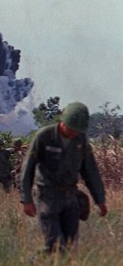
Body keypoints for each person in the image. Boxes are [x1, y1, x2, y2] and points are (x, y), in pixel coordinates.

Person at [20, 102, 107, 254]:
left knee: (70, 245)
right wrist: (26, 199)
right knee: (55, 244)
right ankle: (33, 261)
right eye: (71, 129)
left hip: (70, 197)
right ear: (62, 122)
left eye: (78, 130)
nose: (74, 133)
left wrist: (100, 200)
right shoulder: (44, 137)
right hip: (47, 196)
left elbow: (91, 172)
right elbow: (27, 168)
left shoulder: (81, 140)